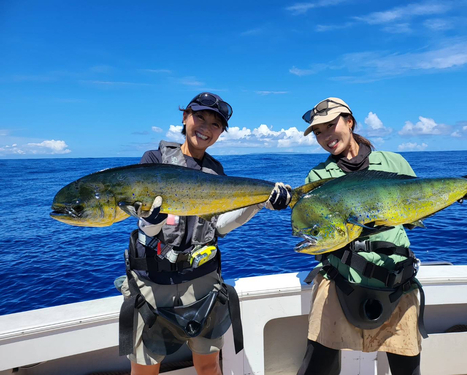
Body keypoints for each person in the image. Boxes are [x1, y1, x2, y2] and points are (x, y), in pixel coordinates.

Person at [116, 92, 291, 375]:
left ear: (221, 132)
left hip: (202, 281)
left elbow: (218, 226)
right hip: (153, 282)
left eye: (216, 124)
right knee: (146, 369)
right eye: (200, 117)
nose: (206, 127)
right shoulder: (154, 160)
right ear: (185, 117)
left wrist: (260, 202)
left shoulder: (215, 171)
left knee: (209, 365)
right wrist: (151, 223)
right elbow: (144, 224)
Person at [296, 97, 426, 375]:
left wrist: (458, 193)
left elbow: (418, 215)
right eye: (318, 132)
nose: (326, 136)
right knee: (316, 367)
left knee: (408, 369)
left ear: (350, 121)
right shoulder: (317, 177)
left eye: (331, 125)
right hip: (339, 281)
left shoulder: (394, 162)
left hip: (396, 281)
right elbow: (314, 230)